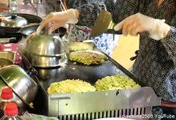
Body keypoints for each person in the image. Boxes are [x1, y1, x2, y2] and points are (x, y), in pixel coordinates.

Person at [36, 0, 176, 119]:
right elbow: (111, 11)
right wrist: (74, 14)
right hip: (139, 91)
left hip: (168, 103)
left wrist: (164, 30)